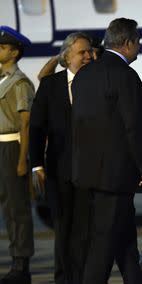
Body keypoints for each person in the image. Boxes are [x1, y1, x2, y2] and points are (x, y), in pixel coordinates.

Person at [71, 18, 142, 284]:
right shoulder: (124, 75)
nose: (139, 49)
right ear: (129, 42)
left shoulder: (83, 75)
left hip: (89, 171)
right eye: (138, 43)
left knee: (125, 243)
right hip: (116, 174)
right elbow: (135, 126)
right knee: (103, 246)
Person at [29, 32, 93, 284]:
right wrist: (37, 165)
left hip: (90, 170)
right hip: (58, 170)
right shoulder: (50, 85)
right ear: (67, 57)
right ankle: (63, 278)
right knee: (63, 228)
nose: (89, 55)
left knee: (85, 230)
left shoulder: (97, 82)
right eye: (83, 52)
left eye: (90, 51)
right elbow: (36, 128)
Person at [0, 25, 35, 284]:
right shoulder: (2, 79)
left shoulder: (20, 83)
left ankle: (21, 265)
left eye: (2, 47)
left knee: (17, 209)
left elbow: (25, 124)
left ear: (14, 53)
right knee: (7, 208)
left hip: (12, 148)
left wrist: (23, 159)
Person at [37, 35, 103, 81]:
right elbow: (43, 78)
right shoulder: (65, 79)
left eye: (90, 52)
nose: (89, 57)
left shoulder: (104, 77)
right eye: (82, 52)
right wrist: (61, 56)